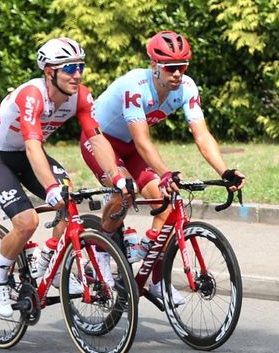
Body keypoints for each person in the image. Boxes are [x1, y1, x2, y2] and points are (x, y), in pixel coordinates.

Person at [80, 30, 245, 305]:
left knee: (166, 202)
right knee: (125, 191)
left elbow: (202, 135)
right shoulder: (135, 85)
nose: (177, 73)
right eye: (170, 67)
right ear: (154, 66)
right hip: (100, 142)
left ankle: (155, 279)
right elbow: (143, 140)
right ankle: (100, 256)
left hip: (131, 148)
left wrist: (225, 172)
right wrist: (165, 173)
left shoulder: (187, 88)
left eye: (182, 66)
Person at [0, 37, 132, 318]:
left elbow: (96, 139)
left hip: (27, 154)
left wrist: (116, 177)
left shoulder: (81, 96)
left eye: (80, 67)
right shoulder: (32, 95)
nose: (77, 74)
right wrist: (50, 188)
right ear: (50, 72)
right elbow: (33, 146)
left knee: (68, 197)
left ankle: (53, 262)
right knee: (27, 222)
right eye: (69, 68)